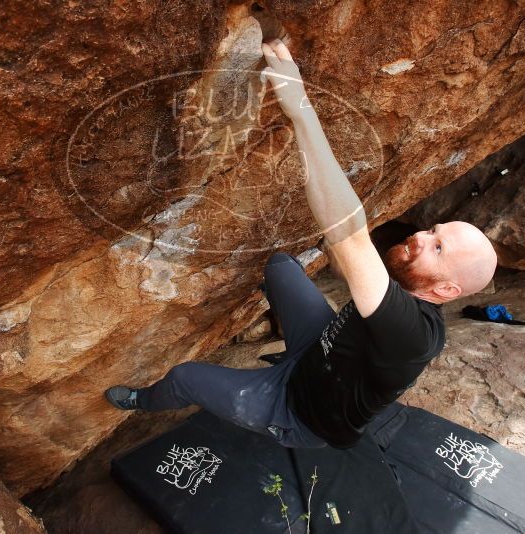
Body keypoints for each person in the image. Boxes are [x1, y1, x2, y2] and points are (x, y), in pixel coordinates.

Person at [105, 40, 497, 449]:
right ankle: (282, 337)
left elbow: (349, 234)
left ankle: (143, 400)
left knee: (186, 378)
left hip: (297, 410)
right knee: (281, 267)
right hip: (318, 351)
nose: (420, 236)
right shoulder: (406, 287)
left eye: (438, 249)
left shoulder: (412, 336)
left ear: (446, 291)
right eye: (434, 230)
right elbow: (354, 265)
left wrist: (299, 105)